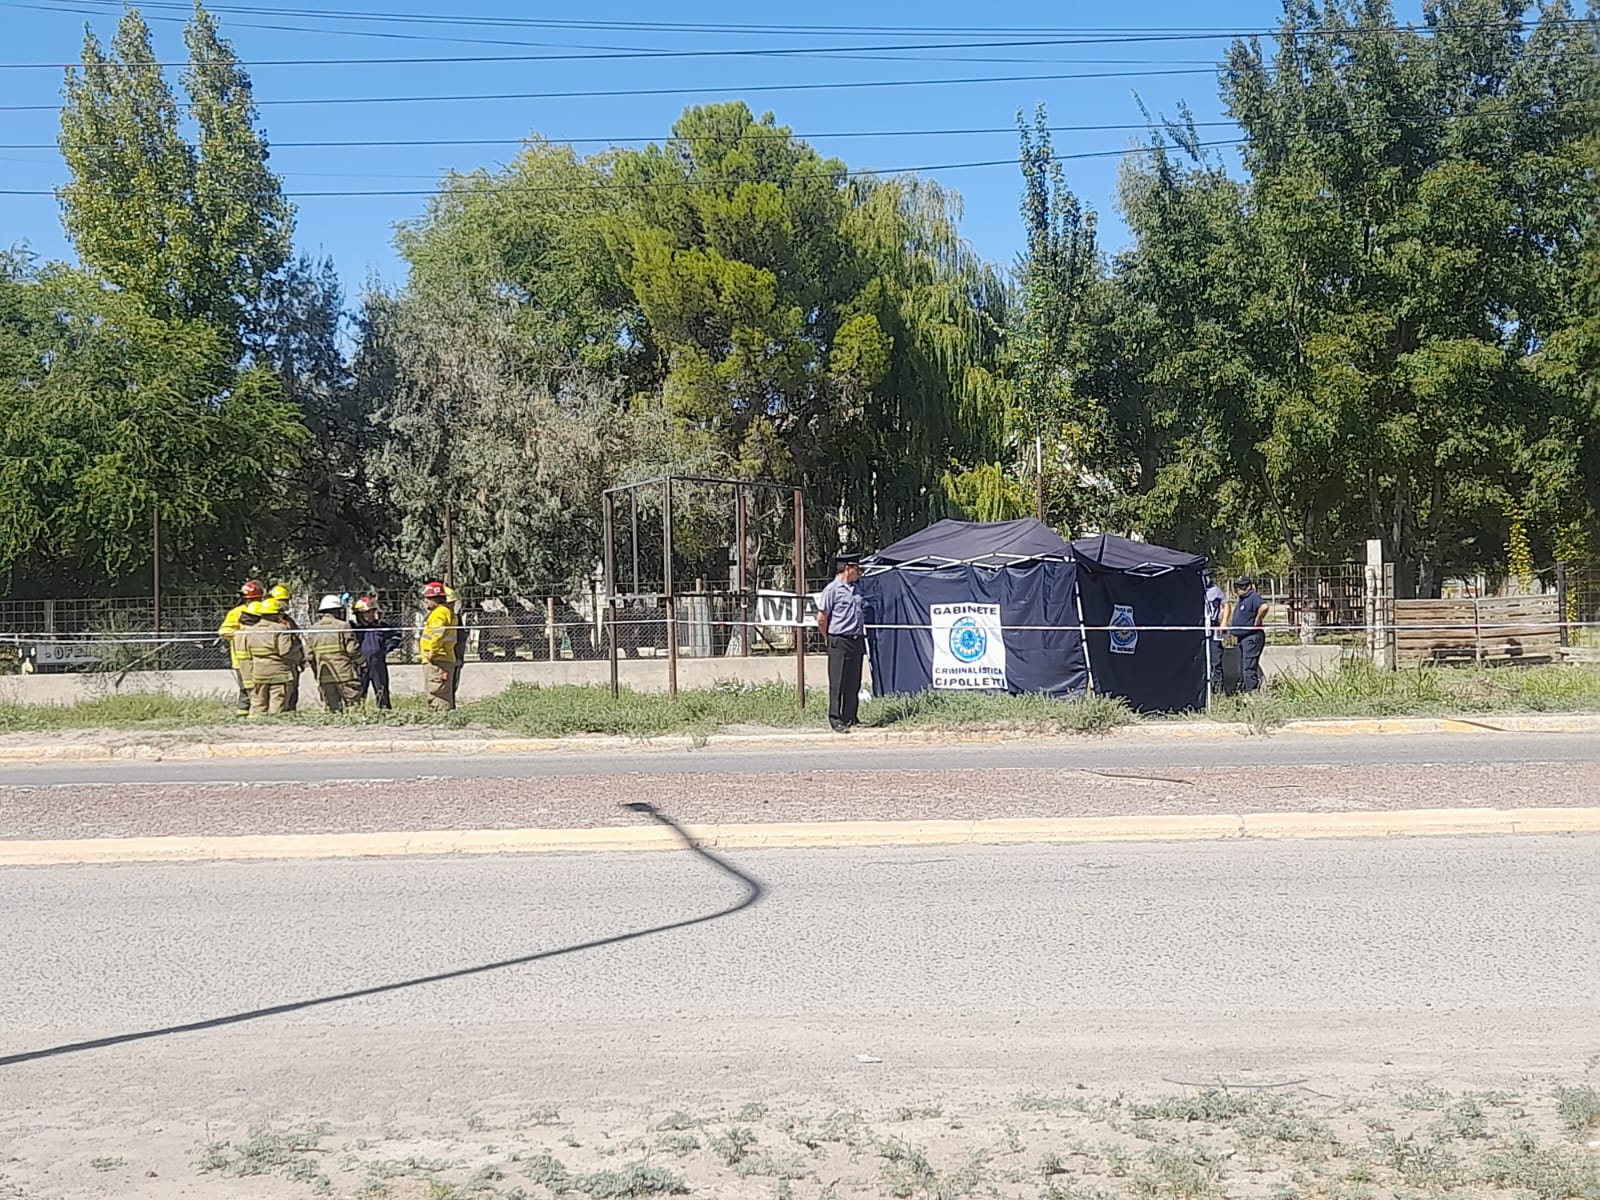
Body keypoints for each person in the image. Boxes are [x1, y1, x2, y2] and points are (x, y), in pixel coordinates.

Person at [817, 553, 867, 733]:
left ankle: (850, 716)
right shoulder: (832, 590)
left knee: (854, 681)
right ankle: (835, 718)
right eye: (857, 569)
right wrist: (827, 638)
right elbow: (822, 618)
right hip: (839, 639)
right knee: (837, 681)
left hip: (856, 639)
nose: (859, 573)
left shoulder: (857, 589)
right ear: (848, 568)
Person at [305, 594, 364, 712]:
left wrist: (317, 673)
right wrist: (362, 663)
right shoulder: (343, 626)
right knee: (353, 705)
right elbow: (352, 649)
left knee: (333, 709)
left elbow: (309, 656)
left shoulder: (313, 629)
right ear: (337, 611)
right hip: (345, 674)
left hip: (325, 675)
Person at [242, 597, 297, 716]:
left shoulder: (251, 630)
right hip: (278, 672)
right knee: (277, 700)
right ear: (275, 614)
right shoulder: (280, 628)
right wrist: (298, 657)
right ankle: (274, 722)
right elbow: (285, 651)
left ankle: (256, 724)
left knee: (258, 702)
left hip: (258, 671)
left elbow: (248, 651)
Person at [219, 579, 265, 716]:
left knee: (259, 687)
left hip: (260, 658)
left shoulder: (265, 609)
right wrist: (243, 634)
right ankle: (243, 713)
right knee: (246, 688)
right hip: (241, 659)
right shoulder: (237, 613)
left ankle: (252, 713)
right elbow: (224, 631)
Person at [352, 595, 400, 710]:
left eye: (372, 612)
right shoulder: (354, 629)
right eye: (367, 613)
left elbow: (396, 635)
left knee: (382, 690)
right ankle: (357, 713)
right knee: (358, 692)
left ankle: (384, 712)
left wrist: (386, 648)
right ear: (359, 614)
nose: (371, 615)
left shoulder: (381, 627)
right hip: (360, 664)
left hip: (378, 664)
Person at [419, 580, 458, 711]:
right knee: (437, 691)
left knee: (438, 692)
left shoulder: (440, 613)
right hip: (442, 657)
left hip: (438, 659)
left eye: (427, 598)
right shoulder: (443, 612)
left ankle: (441, 717)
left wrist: (432, 652)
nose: (425, 601)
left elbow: (437, 634)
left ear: (435, 599)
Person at [1227, 575, 1269, 693]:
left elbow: (1264, 606)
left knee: (1248, 667)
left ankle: (1252, 692)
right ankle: (1245, 690)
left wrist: (1258, 620)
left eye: (1242, 586)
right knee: (1242, 666)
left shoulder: (1253, 597)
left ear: (1249, 586)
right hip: (1241, 638)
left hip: (1251, 637)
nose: (1239, 589)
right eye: (1237, 586)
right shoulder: (1242, 599)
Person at [267, 584, 305, 712]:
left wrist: (300, 658)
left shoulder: (288, 620)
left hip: (292, 661)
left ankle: (290, 712)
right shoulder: (272, 622)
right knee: (280, 693)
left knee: (292, 690)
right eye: (284, 601)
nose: (286, 604)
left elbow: (296, 638)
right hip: (280, 662)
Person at [1203, 570, 1227, 698]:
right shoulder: (1193, 589)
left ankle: (1217, 690)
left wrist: (1223, 622)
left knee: (1215, 659)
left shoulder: (1215, 590)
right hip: (1200, 625)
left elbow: (1226, 605)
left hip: (1213, 625)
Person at [445, 585, 468, 706]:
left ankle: (451, 705)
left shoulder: (455, 618)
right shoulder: (435, 618)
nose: (452, 606)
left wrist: (459, 658)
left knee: (452, 684)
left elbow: (461, 638)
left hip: (453, 657)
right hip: (441, 658)